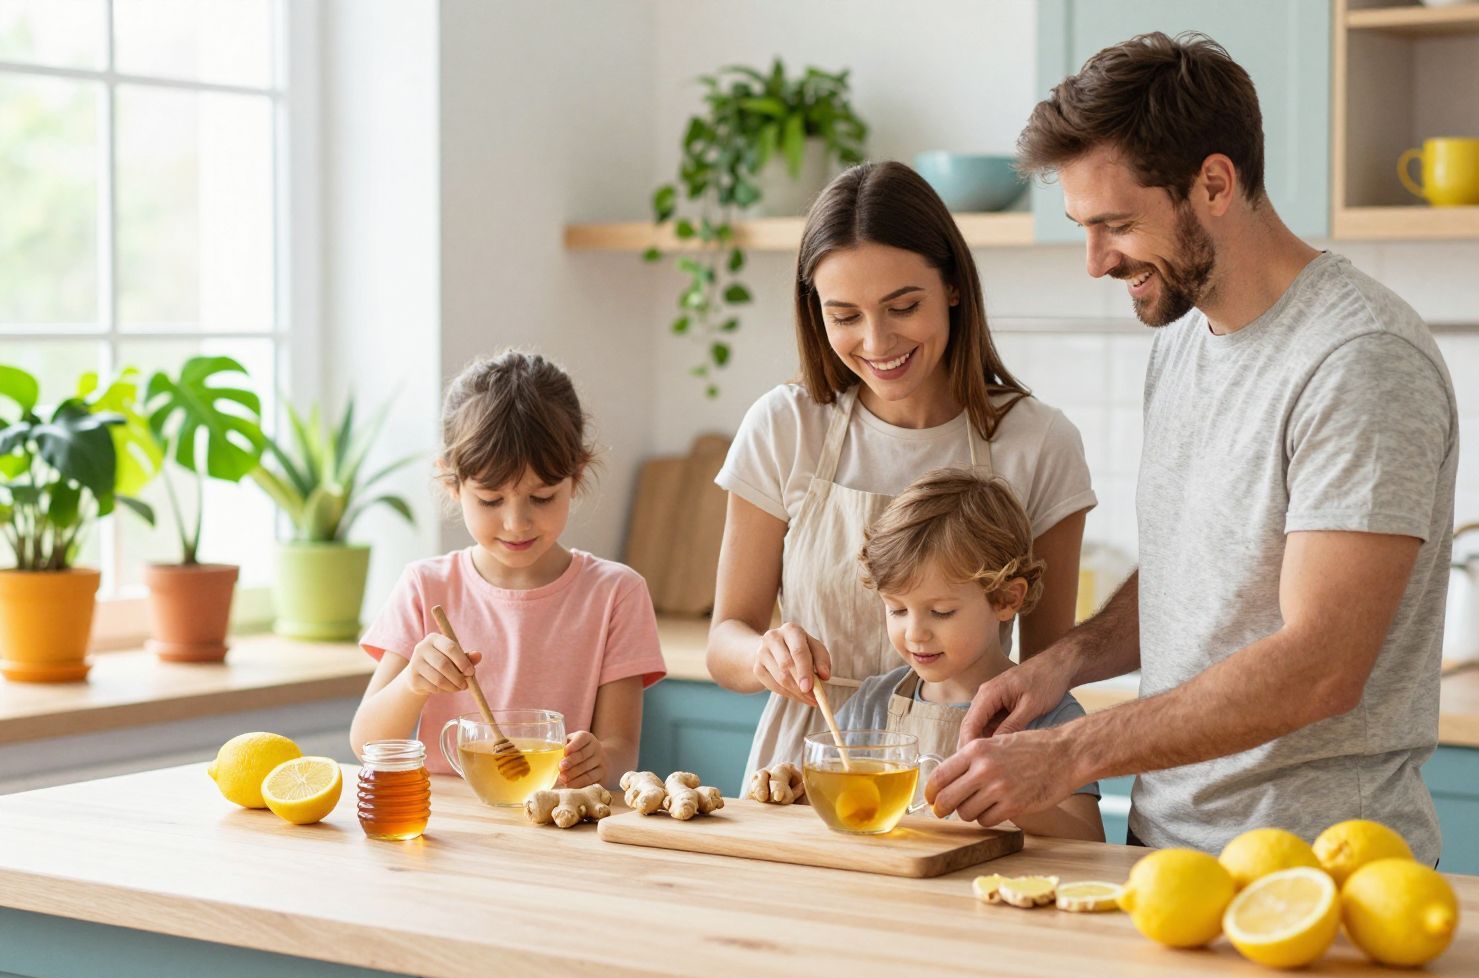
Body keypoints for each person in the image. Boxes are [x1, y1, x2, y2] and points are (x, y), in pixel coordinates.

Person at [928, 33, 1458, 865]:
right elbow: (1199, 577)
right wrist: (1064, 663)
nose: (1097, 262)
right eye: (1084, 228)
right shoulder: (1183, 337)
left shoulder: (1359, 359)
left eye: (1117, 225)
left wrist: (1071, 751)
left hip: (1317, 866)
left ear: (1215, 183)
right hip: (1165, 853)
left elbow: (1321, 667)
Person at [707, 161, 1097, 794]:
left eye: (904, 306)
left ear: (953, 286)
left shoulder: (1039, 442)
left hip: (965, 773)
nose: (876, 341)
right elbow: (726, 638)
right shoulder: (785, 426)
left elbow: (1048, 668)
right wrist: (763, 655)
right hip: (806, 769)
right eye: (845, 316)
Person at [351, 349, 666, 788]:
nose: (517, 523)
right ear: (451, 482)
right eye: (491, 500)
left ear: (576, 476)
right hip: (448, 824)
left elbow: (620, 753)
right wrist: (413, 684)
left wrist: (599, 762)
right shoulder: (425, 586)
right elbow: (366, 744)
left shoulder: (616, 593)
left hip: (555, 819)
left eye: (542, 497)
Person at [834, 468, 1103, 840]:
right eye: (897, 609)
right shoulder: (871, 704)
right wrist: (794, 787)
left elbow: (1089, 839)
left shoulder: (1050, 716)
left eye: (941, 612)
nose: (914, 633)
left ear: (1006, 599)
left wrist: (1019, 801)